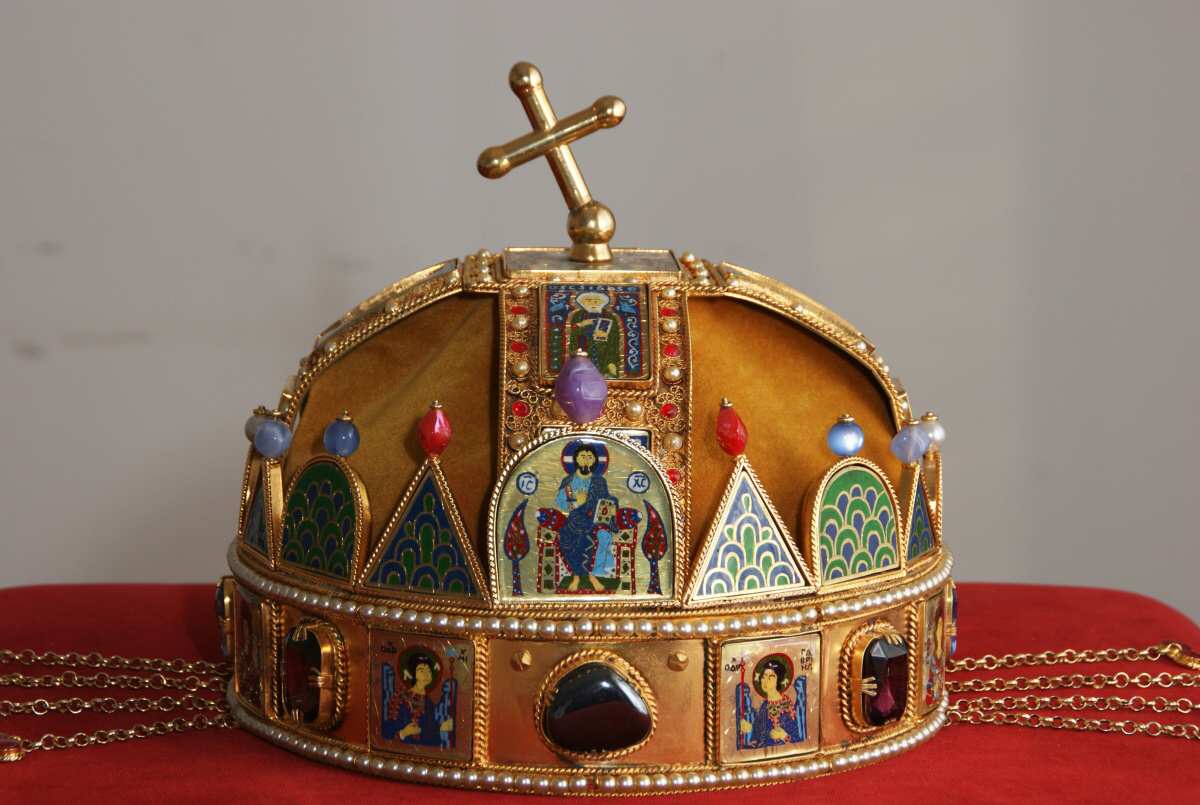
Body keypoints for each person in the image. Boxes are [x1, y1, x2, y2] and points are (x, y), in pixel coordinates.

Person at [553, 442, 615, 592]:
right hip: (575, 520)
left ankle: (594, 575)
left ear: (594, 461)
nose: (586, 460)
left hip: (595, 520)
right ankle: (577, 575)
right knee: (568, 538)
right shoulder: (569, 481)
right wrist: (576, 502)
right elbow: (562, 503)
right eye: (583, 456)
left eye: (590, 457)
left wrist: (611, 507)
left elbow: (606, 499)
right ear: (576, 459)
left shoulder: (599, 481)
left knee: (603, 535)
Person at [384, 651, 453, 745]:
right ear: (413, 674)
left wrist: (442, 727)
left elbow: (428, 730)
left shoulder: (428, 702)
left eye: (428, 671)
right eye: (421, 670)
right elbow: (388, 729)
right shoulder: (400, 696)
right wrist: (404, 732)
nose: (426, 674)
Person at [739, 656, 804, 747]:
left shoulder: (786, 704)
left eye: (771, 677)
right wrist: (748, 728)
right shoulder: (764, 705)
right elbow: (757, 733)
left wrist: (784, 736)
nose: (765, 681)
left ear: (778, 680)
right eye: (764, 677)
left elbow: (796, 738)